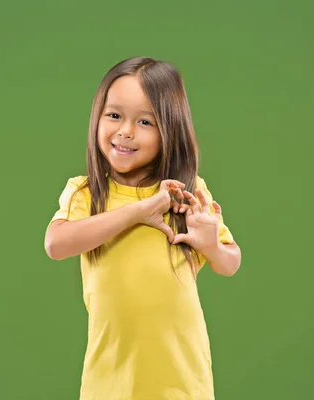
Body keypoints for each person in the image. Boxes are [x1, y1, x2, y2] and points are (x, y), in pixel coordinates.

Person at [44, 56, 242, 400]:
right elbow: (56, 244)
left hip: (182, 381)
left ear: (171, 130)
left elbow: (230, 263)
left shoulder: (186, 193)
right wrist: (140, 211)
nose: (125, 131)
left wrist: (211, 245)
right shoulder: (87, 192)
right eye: (115, 115)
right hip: (110, 382)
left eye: (145, 121)